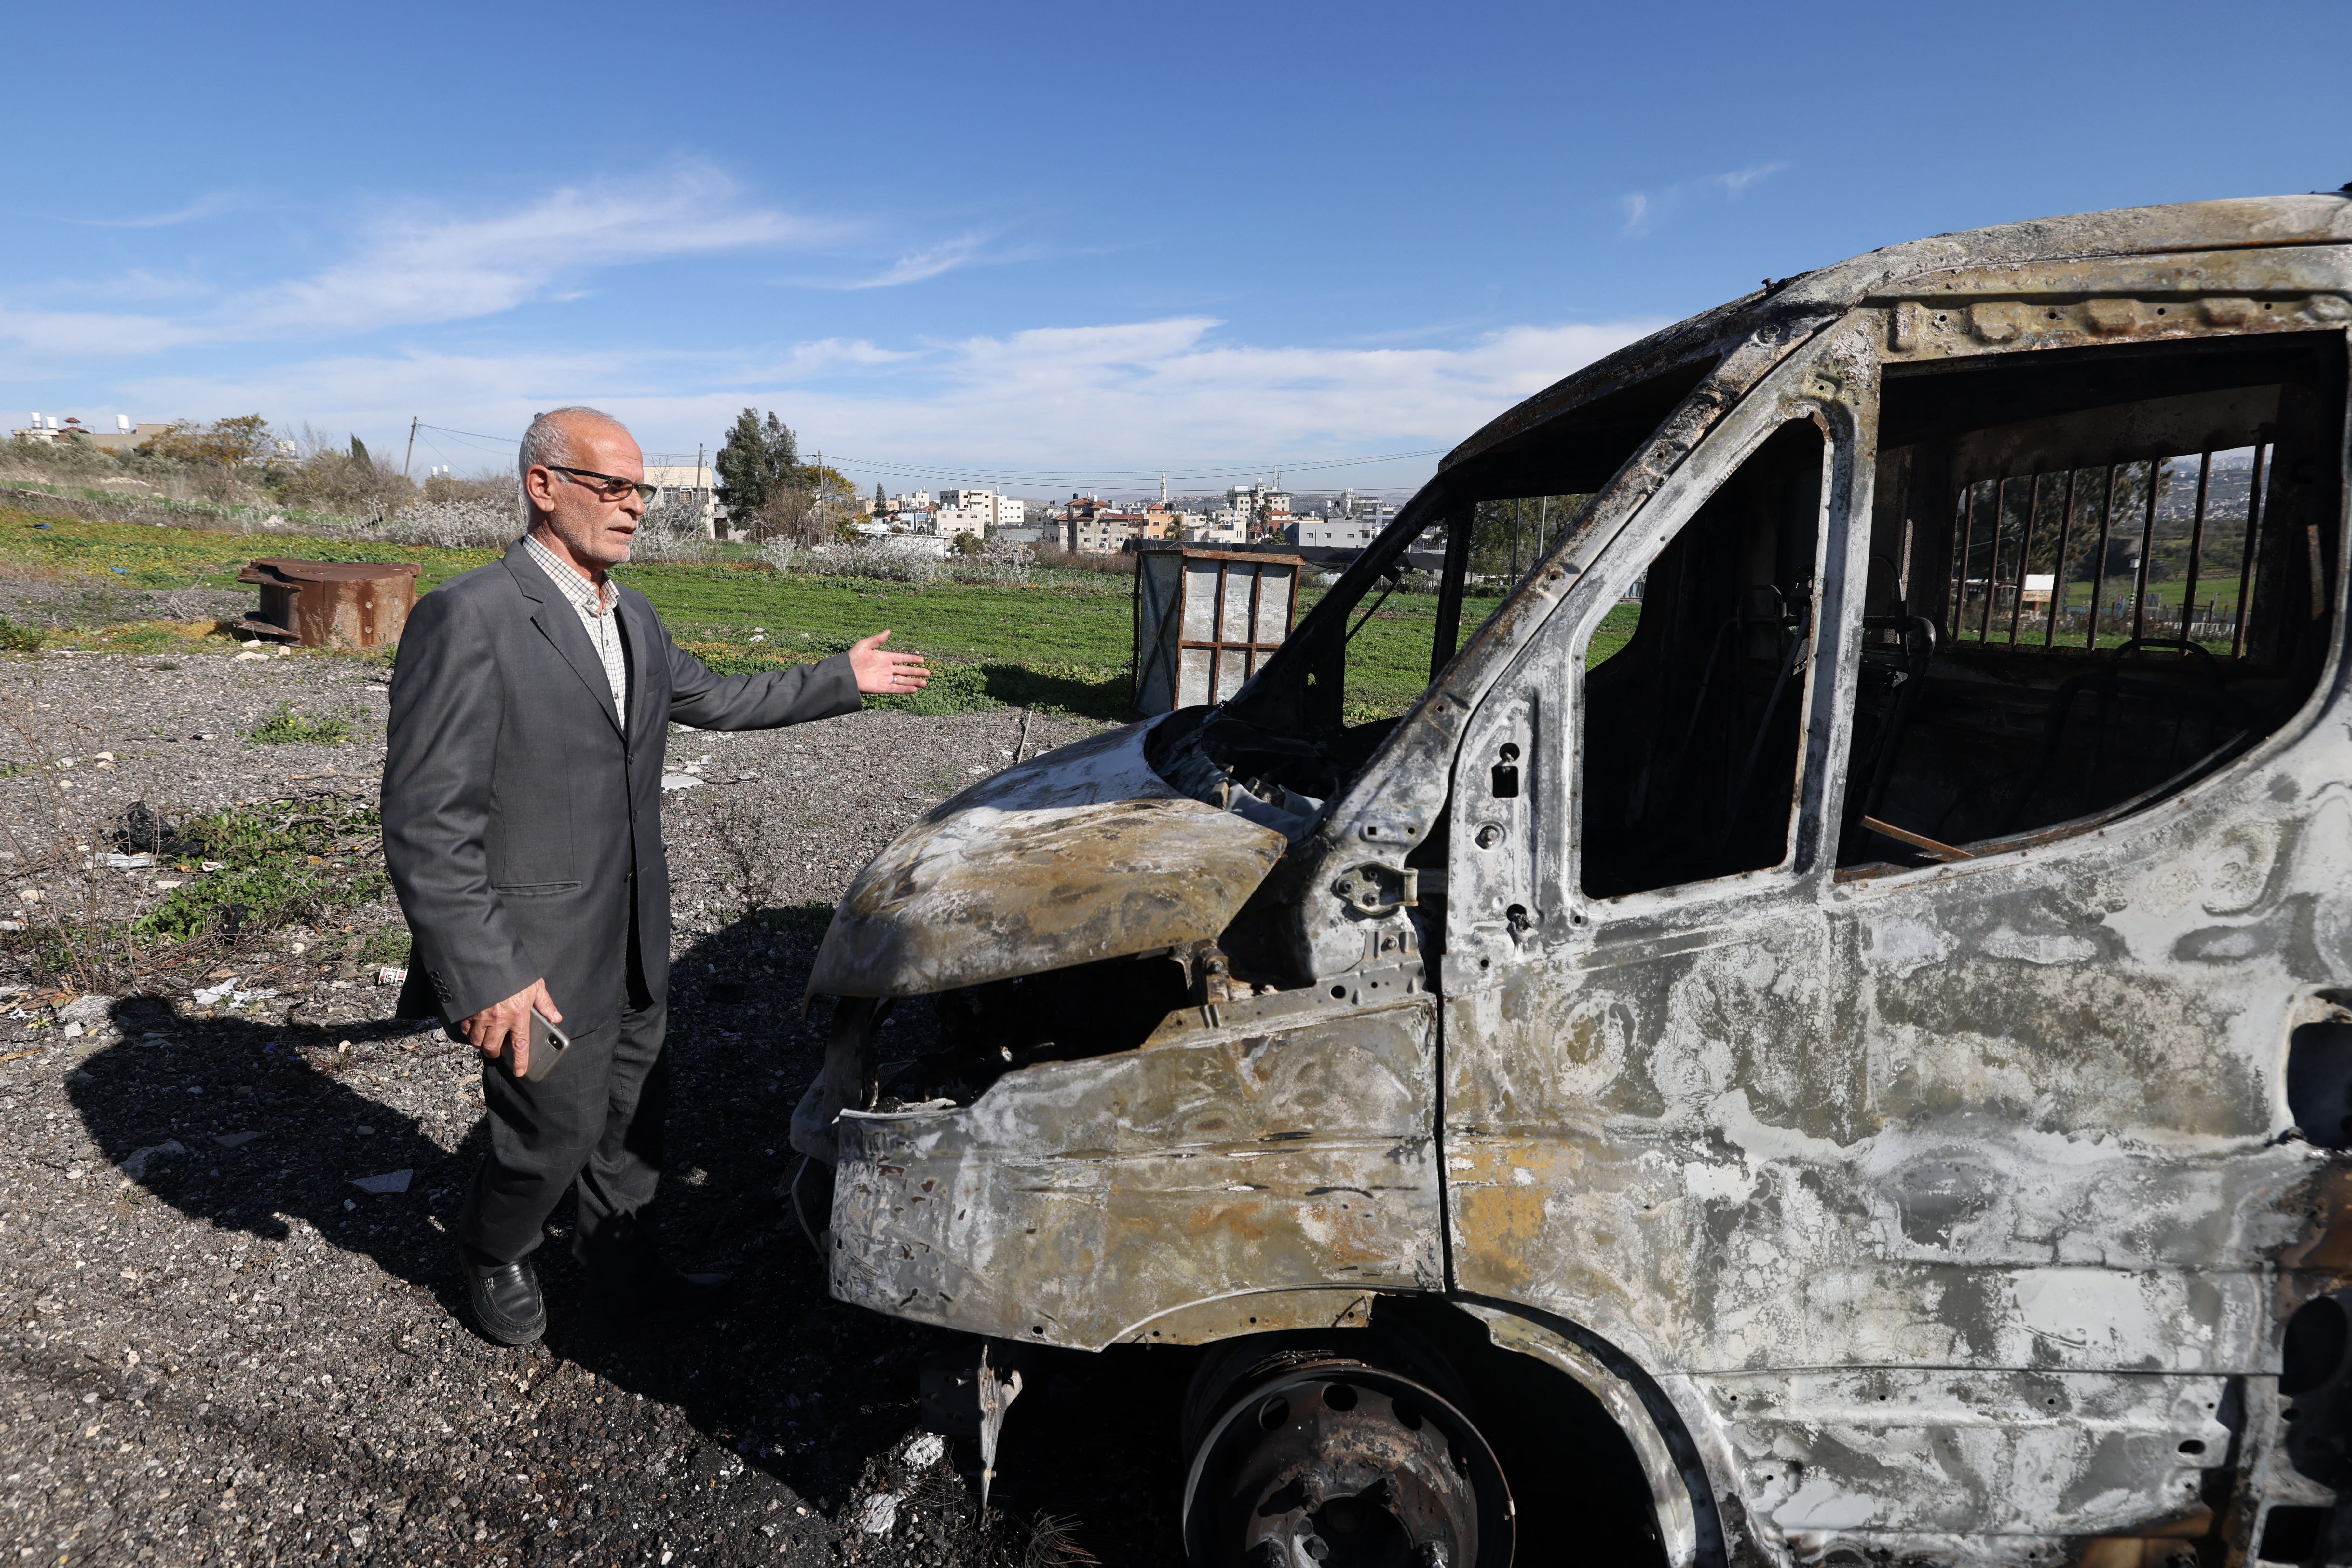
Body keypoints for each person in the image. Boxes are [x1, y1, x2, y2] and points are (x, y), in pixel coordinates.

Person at [381, 405, 926, 1346]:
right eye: (615, 487)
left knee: (634, 1127)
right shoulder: (469, 617)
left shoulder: (632, 614)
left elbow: (721, 697)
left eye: (644, 491)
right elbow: (426, 820)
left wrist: (842, 676)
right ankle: (492, 1243)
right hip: (531, 965)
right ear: (544, 487)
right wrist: (484, 972)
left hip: (633, 944)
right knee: (548, 1130)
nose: (636, 508)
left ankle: (624, 1274)